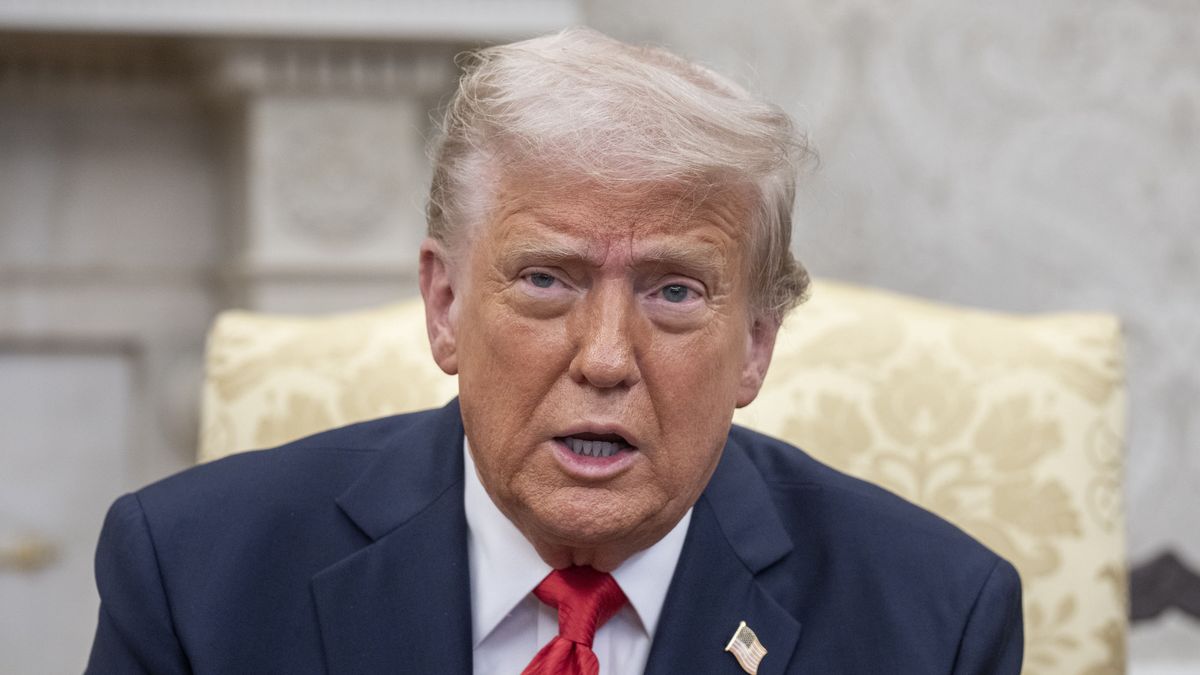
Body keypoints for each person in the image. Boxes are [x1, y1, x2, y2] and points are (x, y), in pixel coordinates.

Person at [86, 28, 1023, 674]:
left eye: (673, 291)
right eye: (545, 279)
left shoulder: (933, 618)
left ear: (756, 344)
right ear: (445, 305)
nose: (606, 358)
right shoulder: (195, 573)